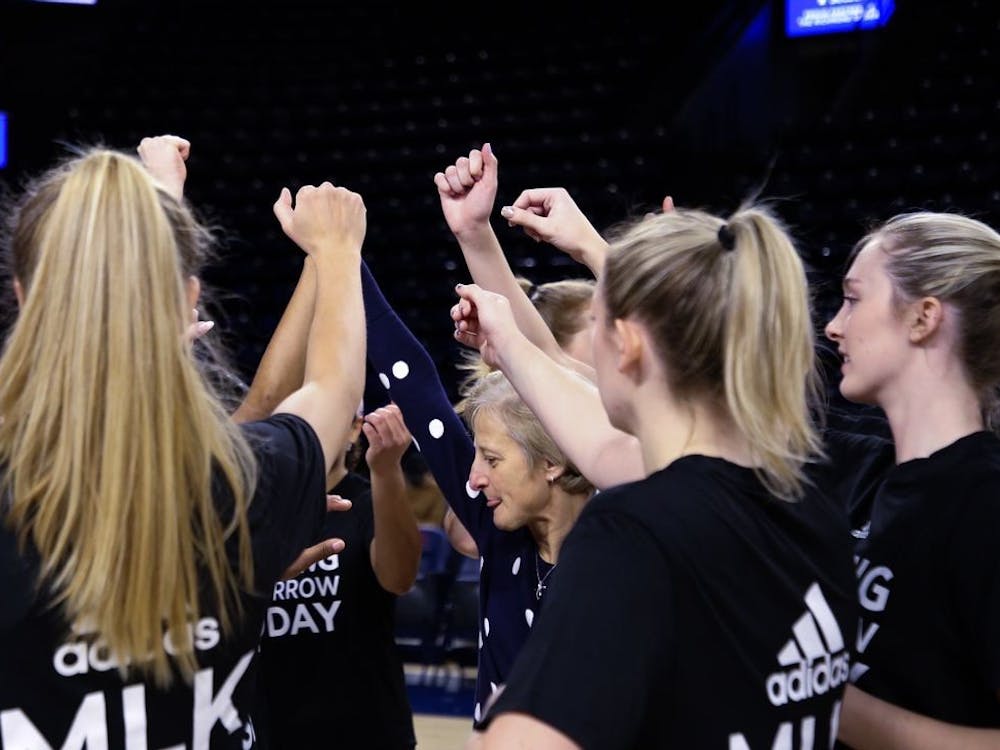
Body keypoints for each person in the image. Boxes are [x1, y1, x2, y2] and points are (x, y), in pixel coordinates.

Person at [0, 144, 366, 748]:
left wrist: (159, 204)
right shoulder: (248, 485)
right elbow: (332, 387)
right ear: (190, 300)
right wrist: (337, 250)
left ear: (21, 294)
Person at [454, 203, 857, 747]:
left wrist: (501, 725)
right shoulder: (804, 492)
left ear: (630, 345)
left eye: (597, 324)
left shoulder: (631, 532)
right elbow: (600, 447)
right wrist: (506, 342)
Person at [360, 257, 595, 725]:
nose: (472, 478)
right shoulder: (496, 527)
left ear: (551, 463)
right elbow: (415, 386)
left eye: (491, 459)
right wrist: (343, 258)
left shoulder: (624, 542)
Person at [821, 212, 1000, 748]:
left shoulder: (985, 503)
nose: (834, 325)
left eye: (853, 299)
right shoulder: (866, 471)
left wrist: (825, 697)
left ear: (923, 318)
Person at [259, 401, 421, 750]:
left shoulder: (368, 500)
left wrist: (386, 471)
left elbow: (399, 579)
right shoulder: (255, 508)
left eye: (324, 415)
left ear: (353, 429)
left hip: (364, 732)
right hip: (270, 731)